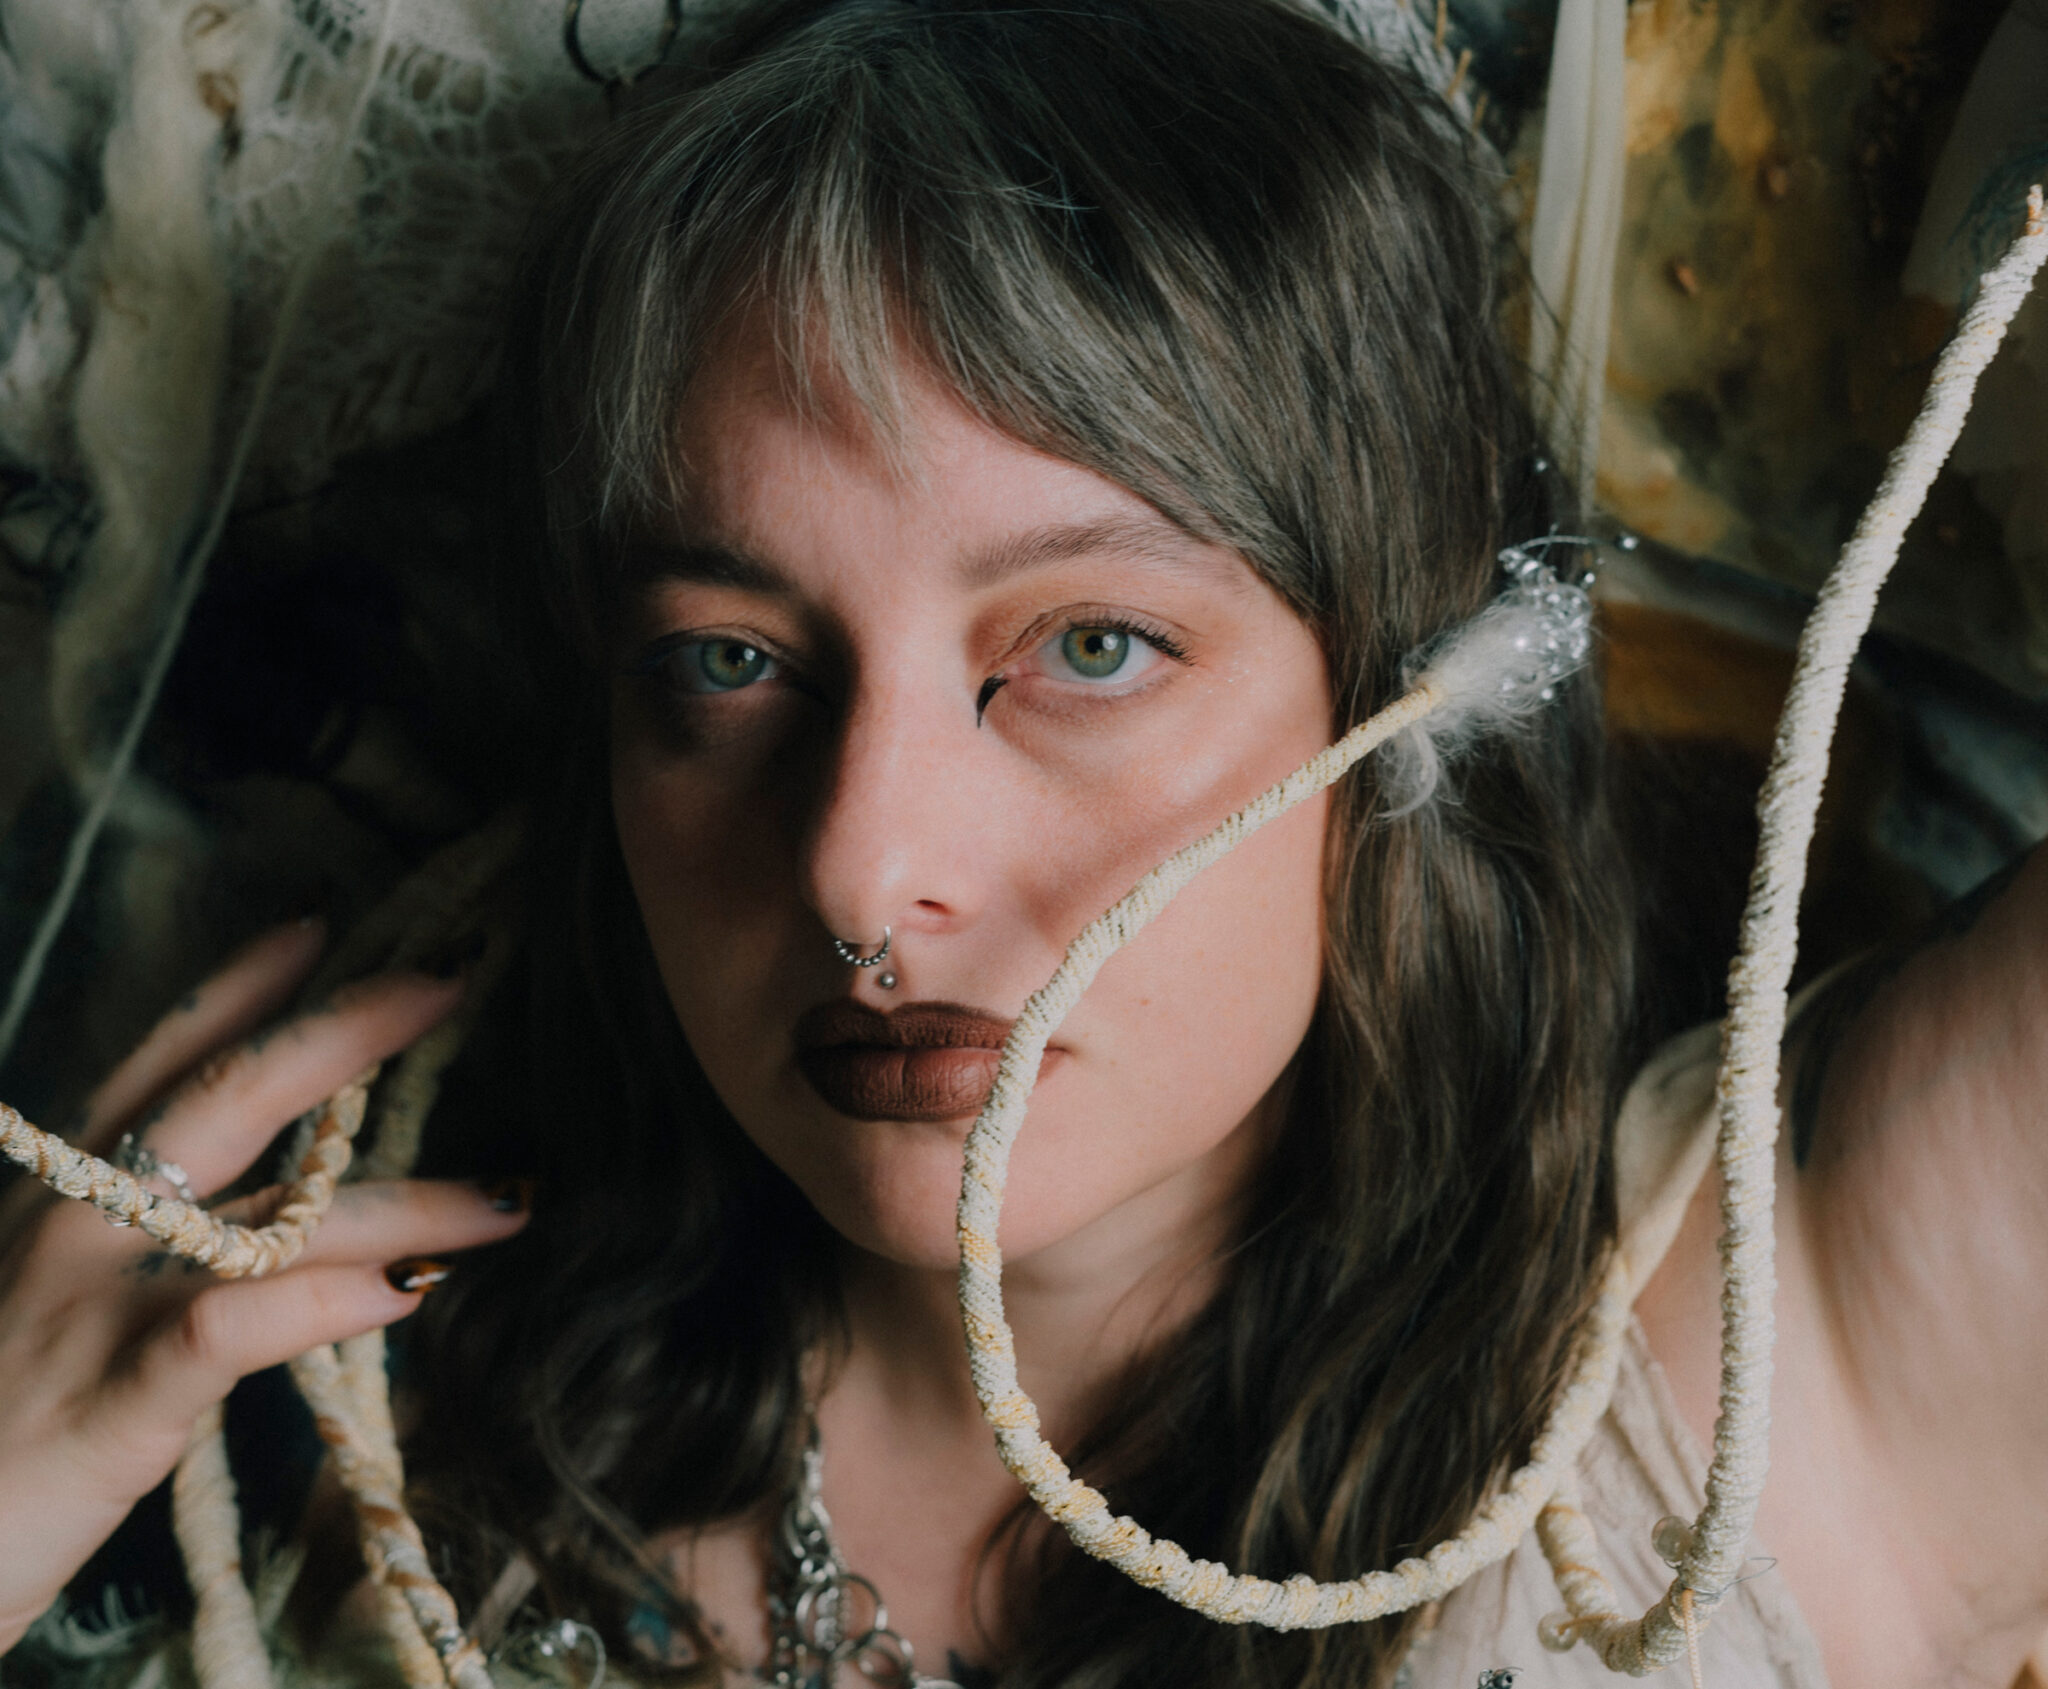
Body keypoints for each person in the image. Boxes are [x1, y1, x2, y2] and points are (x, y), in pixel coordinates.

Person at [0, 1, 2044, 1686]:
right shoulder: (309, 1416)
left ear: (1421, 686)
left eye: (1087, 645)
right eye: (727, 659)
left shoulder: (1785, 1357)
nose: (857, 873)